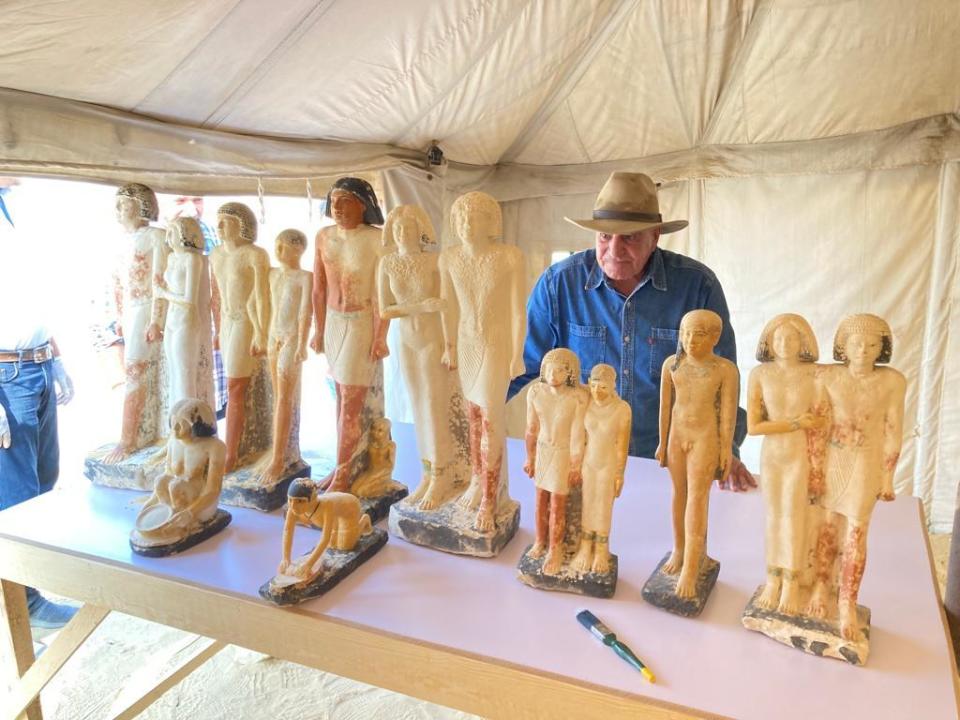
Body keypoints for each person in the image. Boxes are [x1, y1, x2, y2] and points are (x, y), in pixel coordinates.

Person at [508, 171, 755, 491]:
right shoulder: (559, 284)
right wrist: (476, 412)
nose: (614, 249)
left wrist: (725, 452)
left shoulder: (697, 287)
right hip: (581, 462)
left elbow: (722, 383)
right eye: (604, 237)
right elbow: (522, 364)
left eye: (630, 237)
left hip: (666, 465)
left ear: (655, 236)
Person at [0, 177, 78, 628]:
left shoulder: (14, 208)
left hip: (36, 363)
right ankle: (24, 604)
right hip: (6, 374)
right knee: (17, 496)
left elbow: (30, 295)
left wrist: (57, 356)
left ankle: (32, 585)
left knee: (44, 482)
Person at [310, 177, 389, 491]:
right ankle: (343, 465)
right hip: (333, 321)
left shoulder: (375, 239)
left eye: (345, 201)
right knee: (339, 398)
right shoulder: (324, 236)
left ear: (363, 204)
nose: (338, 207)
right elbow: (318, 289)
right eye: (334, 201)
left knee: (351, 402)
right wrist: (318, 329)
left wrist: (381, 335)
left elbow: (382, 293)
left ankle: (343, 475)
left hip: (360, 324)